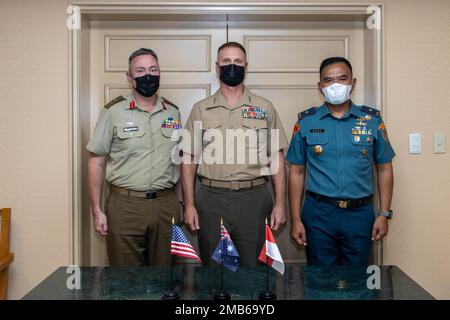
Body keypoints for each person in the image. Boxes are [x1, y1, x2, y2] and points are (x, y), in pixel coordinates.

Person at [181, 42, 288, 266]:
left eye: (238, 62)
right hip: (211, 199)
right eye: (226, 62)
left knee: (254, 271)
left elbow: (276, 157)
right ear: (217, 67)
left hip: (254, 198)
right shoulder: (201, 109)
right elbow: (189, 159)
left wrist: (280, 204)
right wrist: (189, 204)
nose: (232, 66)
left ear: (246, 66)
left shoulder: (264, 107)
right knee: (216, 271)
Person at [286, 56, 395, 266]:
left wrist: (384, 214)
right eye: (328, 80)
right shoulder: (306, 122)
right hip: (318, 215)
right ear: (320, 86)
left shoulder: (372, 121)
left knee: (356, 282)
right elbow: (297, 172)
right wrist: (296, 219)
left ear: (353, 83)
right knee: (320, 282)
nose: (336, 85)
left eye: (342, 79)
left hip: (360, 215)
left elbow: (384, 168)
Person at [86, 48, 183, 266]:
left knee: (165, 278)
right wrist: (97, 211)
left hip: (165, 206)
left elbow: (177, 160)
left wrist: (180, 203)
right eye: (140, 70)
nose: (148, 75)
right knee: (125, 279)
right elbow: (96, 162)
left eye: (153, 69)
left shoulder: (173, 113)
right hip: (125, 206)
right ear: (129, 78)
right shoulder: (113, 112)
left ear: (160, 73)